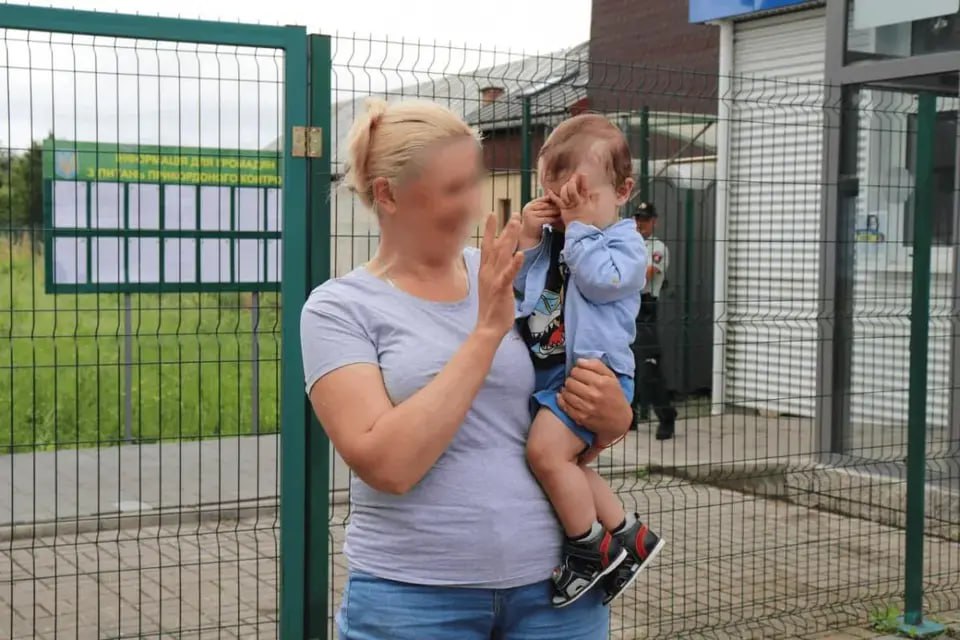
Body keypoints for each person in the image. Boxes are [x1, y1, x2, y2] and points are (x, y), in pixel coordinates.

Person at [300, 98, 636, 640]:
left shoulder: (511, 273)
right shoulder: (340, 308)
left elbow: (568, 386)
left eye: (472, 182)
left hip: (557, 593)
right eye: (452, 189)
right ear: (388, 194)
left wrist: (616, 417)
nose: (474, 203)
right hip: (414, 600)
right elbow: (388, 465)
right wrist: (485, 334)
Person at [515, 114, 665, 609]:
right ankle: (630, 537)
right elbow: (522, 297)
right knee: (571, 464)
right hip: (560, 374)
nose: (568, 211)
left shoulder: (625, 242)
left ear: (622, 191)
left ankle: (588, 550)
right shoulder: (563, 238)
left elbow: (604, 280)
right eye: (558, 199)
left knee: (546, 455)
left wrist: (576, 228)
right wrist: (531, 241)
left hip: (596, 375)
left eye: (582, 196)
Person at [632, 201, 678, 440]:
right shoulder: (629, 244)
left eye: (646, 219)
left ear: (654, 221)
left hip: (646, 307)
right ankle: (627, 415)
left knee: (649, 367)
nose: (641, 224)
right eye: (638, 219)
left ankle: (666, 415)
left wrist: (625, 274)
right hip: (627, 308)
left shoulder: (657, 248)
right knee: (625, 364)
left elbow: (646, 275)